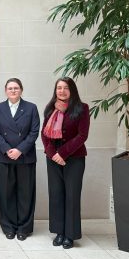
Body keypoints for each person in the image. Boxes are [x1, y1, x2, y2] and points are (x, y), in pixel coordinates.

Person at [42, 77, 90, 249]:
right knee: (56, 195)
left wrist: (62, 153)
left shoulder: (82, 108)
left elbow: (82, 135)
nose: (61, 91)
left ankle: (70, 235)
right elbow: (44, 134)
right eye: (58, 88)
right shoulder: (49, 109)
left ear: (72, 90)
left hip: (74, 159)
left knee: (71, 196)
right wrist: (52, 153)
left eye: (65, 88)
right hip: (52, 158)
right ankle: (59, 232)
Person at [0, 78, 40, 241]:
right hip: (5, 157)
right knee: (6, 194)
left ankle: (23, 228)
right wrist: (7, 149)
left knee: (25, 194)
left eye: (16, 88)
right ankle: (8, 227)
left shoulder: (31, 108)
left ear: (21, 90)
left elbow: (34, 132)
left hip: (25, 157)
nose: (13, 91)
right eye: (10, 88)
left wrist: (19, 150)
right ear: (5, 91)